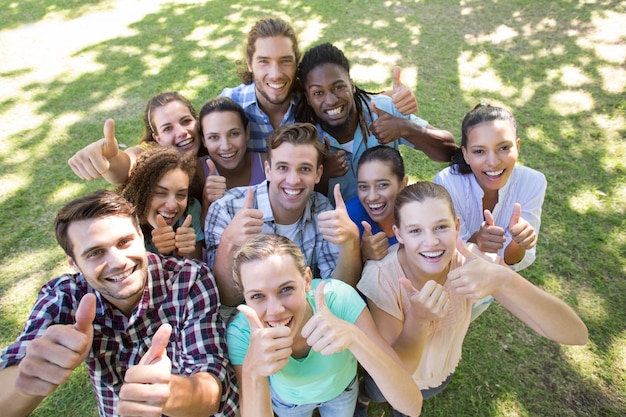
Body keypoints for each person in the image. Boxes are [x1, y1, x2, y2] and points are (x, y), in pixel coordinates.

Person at [354, 182, 588, 416]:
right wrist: (418, 319)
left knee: (410, 406)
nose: (431, 242)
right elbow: (397, 369)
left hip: (440, 369)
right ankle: (363, 398)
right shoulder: (382, 276)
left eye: (441, 227)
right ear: (399, 234)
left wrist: (505, 280)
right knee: (377, 392)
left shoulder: (473, 264)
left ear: (457, 226)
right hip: (392, 375)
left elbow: (575, 334)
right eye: (415, 231)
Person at [0, 190, 238, 417]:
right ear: (73, 263)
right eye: (95, 253)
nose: (118, 262)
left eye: (124, 242)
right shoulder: (65, 296)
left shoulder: (189, 279)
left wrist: (167, 393)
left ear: (140, 235)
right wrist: (28, 380)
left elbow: (213, 387)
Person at [226, 233, 423, 417]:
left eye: (286, 289)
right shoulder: (242, 334)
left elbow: (411, 405)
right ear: (244, 297)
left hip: (342, 392)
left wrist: (354, 337)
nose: (275, 309)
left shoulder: (339, 299)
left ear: (306, 280)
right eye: (257, 296)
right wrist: (254, 372)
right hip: (289, 403)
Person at [204, 122, 361, 307]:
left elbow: (340, 294)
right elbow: (227, 300)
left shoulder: (322, 209)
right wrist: (229, 242)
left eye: (304, 169)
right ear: (268, 170)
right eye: (283, 168)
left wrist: (351, 243)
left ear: (318, 174)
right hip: (247, 322)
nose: (293, 180)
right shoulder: (226, 209)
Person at [222, 18, 419, 153]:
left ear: (296, 62)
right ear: (249, 62)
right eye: (264, 61)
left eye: (285, 61)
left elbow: (349, 95)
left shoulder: (310, 99)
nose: (276, 74)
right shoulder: (230, 105)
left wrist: (395, 97)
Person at [294, 42, 457, 202]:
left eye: (338, 87)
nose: (330, 100)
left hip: (391, 221)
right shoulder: (306, 137)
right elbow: (300, 203)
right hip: (338, 226)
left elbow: (449, 151)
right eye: (318, 93)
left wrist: (405, 128)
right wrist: (323, 175)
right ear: (308, 98)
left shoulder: (382, 109)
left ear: (351, 85)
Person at [433, 103, 546, 272]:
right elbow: (446, 255)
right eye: (479, 151)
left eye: (504, 148)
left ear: (518, 146)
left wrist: (518, 243)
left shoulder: (533, 182)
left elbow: (513, 262)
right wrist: (476, 241)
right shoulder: (447, 183)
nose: (493, 162)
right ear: (466, 154)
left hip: (492, 285)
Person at [68, 92, 205, 191]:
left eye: (186, 121)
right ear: (157, 139)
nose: (181, 132)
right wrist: (112, 158)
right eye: (167, 128)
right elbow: (129, 164)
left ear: (197, 121)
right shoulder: (153, 155)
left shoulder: (213, 138)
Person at [118, 147, 204, 260]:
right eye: (160, 193)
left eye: (181, 194)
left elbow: (197, 269)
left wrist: (183, 254)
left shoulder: (190, 209)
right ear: (140, 192)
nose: (173, 205)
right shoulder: (122, 224)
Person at [198, 96, 266, 219]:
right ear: (204, 141)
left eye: (234, 134)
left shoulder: (268, 164)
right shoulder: (199, 172)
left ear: (247, 132)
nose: (226, 146)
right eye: (214, 137)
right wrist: (206, 201)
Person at [346, 146, 408, 262]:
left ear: (402, 184)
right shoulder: (350, 218)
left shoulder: (417, 213)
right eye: (363, 187)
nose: (372, 197)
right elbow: (341, 279)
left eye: (382, 185)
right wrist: (362, 255)